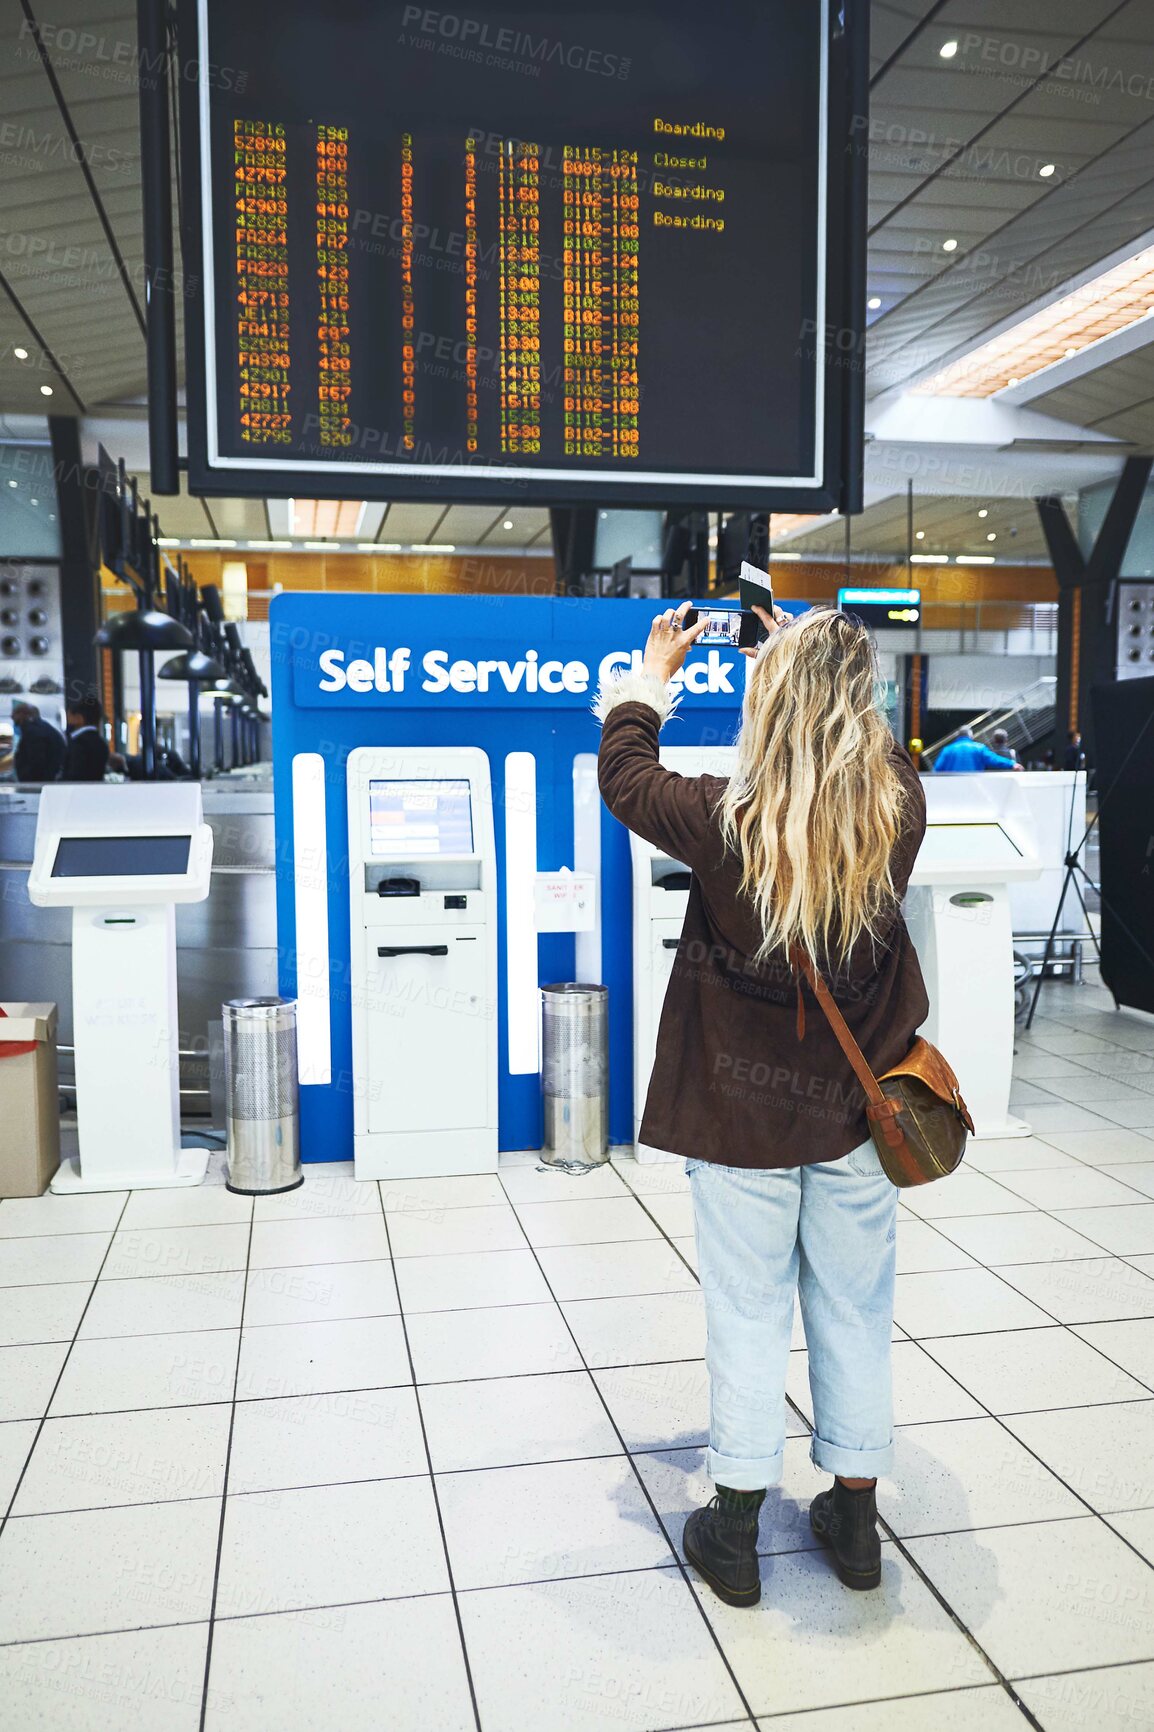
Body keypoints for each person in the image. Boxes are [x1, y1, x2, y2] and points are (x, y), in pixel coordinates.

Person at [596, 603, 929, 1606]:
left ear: (767, 704)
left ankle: (734, 1527)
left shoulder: (720, 815)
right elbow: (868, 748)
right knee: (855, 1309)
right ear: (855, 706)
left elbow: (624, 770)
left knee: (745, 1313)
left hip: (740, 1112)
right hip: (856, 1112)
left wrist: (653, 675)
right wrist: (802, 655)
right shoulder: (896, 805)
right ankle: (853, 1516)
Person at [9, 702, 65, 783]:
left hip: (38, 783)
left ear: (23, 714)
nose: (12, 717)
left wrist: (29, 781)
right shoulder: (43, 727)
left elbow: (36, 761)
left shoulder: (33, 731)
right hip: (47, 779)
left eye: (15, 713)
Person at [61, 695, 110, 782]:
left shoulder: (79, 743)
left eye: (69, 717)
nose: (68, 721)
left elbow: (74, 775)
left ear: (79, 718)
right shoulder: (101, 743)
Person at [932, 725, 1020, 772]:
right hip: (973, 785)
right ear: (970, 736)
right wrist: (1012, 764)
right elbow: (994, 759)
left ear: (958, 736)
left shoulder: (947, 750)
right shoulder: (979, 748)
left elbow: (937, 769)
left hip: (951, 786)